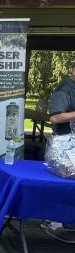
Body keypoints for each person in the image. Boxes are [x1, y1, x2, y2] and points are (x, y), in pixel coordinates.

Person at [42, 63, 75, 243]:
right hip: (64, 147)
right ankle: (55, 222)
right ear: (73, 71)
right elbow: (55, 117)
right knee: (63, 184)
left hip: (72, 145)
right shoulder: (64, 90)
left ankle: (66, 222)